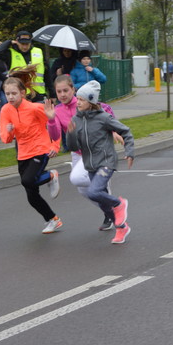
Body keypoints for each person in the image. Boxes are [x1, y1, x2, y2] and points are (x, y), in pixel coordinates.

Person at [63, 81, 135, 244]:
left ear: (91, 101)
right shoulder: (77, 119)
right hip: (90, 164)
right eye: (77, 98)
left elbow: (126, 131)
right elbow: (73, 147)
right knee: (102, 202)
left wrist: (129, 152)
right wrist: (71, 133)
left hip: (106, 162)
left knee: (93, 192)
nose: (78, 102)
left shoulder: (103, 117)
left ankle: (119, 203)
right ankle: (121, 227)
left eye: (81, 99)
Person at [48, 74, 122, 230]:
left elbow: (105, 110)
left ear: (73, 89)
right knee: (84, 190)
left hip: (97, 151)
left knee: (77, 179)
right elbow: (55, 136)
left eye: (65, 90)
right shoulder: (57, 111)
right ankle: (110, 212)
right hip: (78, 153)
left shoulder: (83, 102)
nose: (62, 94)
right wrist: (51, 120)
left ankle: (105, 190)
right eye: (58, 91)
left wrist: (114, 130)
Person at [0, 76, 63, 233]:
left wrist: (55, 145)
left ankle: (51, 176)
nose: (10, 97)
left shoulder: (35, 108)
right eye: (7, 94)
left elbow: (55, 123)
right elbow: (6, 139)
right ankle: (53, 219)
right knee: (31, 196)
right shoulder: (6, 110)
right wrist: (9, 131)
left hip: (40, 149)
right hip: (22, 153)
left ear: (22, 93)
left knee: (27, 180)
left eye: (14, 93)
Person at [0, 30, 48, 99]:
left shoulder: (38, 51)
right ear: (17, 42)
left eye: (27, 44)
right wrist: (9, 42)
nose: (25, 47)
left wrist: (52, 94)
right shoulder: (10, 53)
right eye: (22, 44)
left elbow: (47, 73)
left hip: (39, 94)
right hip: (20, 95)